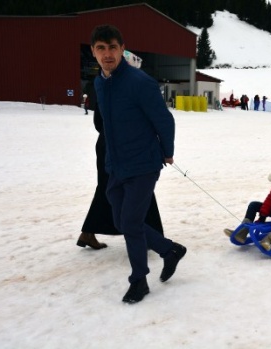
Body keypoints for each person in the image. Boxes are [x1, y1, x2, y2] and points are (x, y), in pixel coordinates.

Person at [91, 24, 186, 304]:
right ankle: (170, 250)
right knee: (122, 220)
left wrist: (167, 151)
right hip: (115, 165)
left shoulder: (140, 82)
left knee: (130, 222)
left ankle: (139, 281)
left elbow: (164, 120)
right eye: (101, 48)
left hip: (143, 164)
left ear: (122, 49)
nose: (107, 54)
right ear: (94, 52)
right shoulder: (100, 82)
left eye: (112, 47)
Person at [78, 104, 165, 250]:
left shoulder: (106, 88)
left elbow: (99, 122)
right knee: (139, 187)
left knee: (110, 188)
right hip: (124, 146)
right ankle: (147, 236)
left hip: (108, 143)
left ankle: (88, 232)